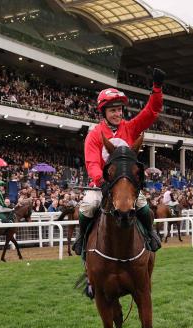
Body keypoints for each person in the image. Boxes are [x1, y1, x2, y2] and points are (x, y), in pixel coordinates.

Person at [72, 67, 166, 255]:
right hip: (102, 185)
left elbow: (151, 111)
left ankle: (149, 233)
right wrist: (102, 182)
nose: (118, 114)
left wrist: (157, 89)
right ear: (104, 112)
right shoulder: (94, 135)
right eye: (113, 110)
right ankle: (82, 238)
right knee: (88, 206)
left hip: (126, 184)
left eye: (120, 110)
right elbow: (92, 164)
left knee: (144, 207)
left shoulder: (130, 128)